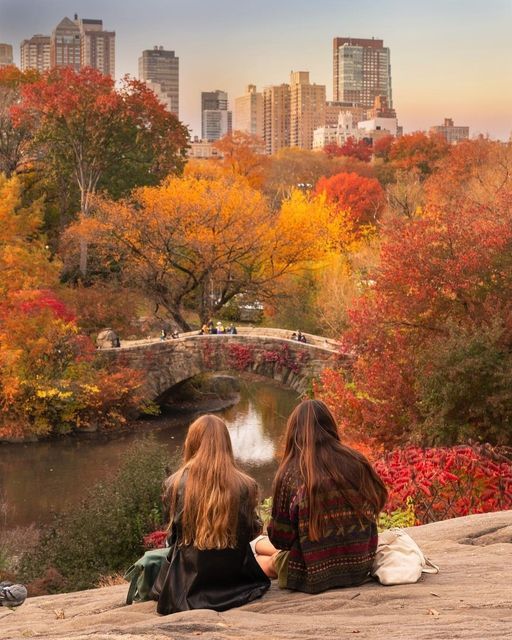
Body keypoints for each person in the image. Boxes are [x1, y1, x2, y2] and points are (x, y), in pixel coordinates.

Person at [253, 399, 387, 594]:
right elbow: (379, 501)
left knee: (262, 562)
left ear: (294, 432)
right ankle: (256, 545)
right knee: (288, 550)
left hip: (313, 572)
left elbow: (281, 540)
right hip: (359, 564)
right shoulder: (356, 460)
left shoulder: (291, 473)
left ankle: (254, 548)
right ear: (330, 425)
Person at [153, 415, 270, 614]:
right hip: (238, 584)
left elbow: (172, 537)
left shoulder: (174, 483)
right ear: (226, 443)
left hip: (187, 589)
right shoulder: (247, 485)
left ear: (192, 442)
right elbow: (253, 532)